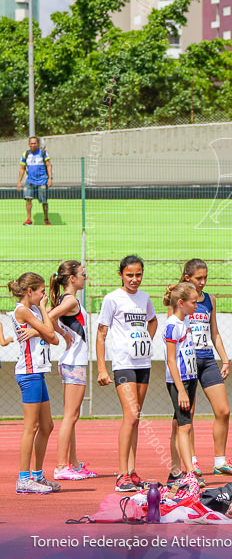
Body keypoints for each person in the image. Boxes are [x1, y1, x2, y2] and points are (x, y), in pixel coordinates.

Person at [168, 259, 232, 483]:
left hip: (207, 360)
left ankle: (220, 462)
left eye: (205, 278)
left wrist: (225, 359)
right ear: (188, 277)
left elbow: (215, 332)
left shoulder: (210, 299)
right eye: (198, 278)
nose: (203, 282)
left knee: (223, 410)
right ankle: (191, 461)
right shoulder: (180, 300)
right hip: (187, 362)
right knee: (187, 416)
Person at [96, 255, 158, 493]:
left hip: (143, 362)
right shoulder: (112, 299)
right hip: (123, 363)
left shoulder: (144, 298)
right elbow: (101, 334)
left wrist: (145, 340)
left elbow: (152, 321)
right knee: (130, 415)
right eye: (130, 275)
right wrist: (102, 368)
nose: (134, 279)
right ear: (121, 274)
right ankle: (121, 474)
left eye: (138, 275)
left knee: (137, 418)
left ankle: (132, 472)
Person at [10, 272, 61, 493]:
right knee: (31, 427)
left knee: (47, 426)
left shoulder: (30, 311)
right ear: (30, 292)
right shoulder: (23, 310)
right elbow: (49, 331)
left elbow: (54, 338)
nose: (43, 296)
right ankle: (23, 478)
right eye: (40, 292)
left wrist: (37, 327)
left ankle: (38, 476)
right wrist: (42, 312)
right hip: (29, 374)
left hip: (38, 373)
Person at [48, 261, 98, 480]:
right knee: (70, 416)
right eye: (82, 274)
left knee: (73, 415)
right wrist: (62, 333)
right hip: (74, 362)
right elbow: (48, 316)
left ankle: (74, 463)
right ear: (71, 279)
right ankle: (61, 466)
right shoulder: (69, 301)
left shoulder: (65, 299)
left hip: (72, 361)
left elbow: (50, 314)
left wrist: (62, 332)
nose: (84, 277)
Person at [162, 282, 203, 503]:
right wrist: (181, 390)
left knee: (181, 424)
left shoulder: (184, 320)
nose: (197, 306)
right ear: (181, 303)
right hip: (180, 383)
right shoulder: (172, 325)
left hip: (190, 378)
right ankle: (189, 473)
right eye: (193, 302)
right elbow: (170, 359)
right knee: (184, 426)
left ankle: (178, 472)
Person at [17, 136, 53, 226]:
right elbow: (22, 168)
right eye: (31, 143)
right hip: (30, 181)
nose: (33, 145)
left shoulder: (43, 153)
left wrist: (50, 178)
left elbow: (49, 165)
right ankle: (29, 219)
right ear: (29, 144)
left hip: (42, 181)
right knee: (28, 199)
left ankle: (46, 219)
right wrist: (19, 181)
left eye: (35, 143)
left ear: (38, 144)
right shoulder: (26, 154)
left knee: (44, 201)